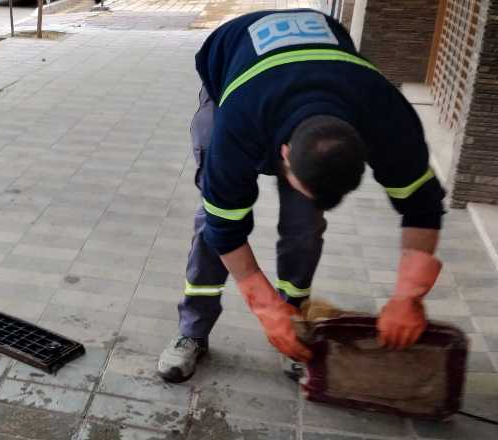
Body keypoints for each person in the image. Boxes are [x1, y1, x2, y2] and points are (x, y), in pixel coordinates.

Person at [156, 8, 447, 383]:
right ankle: (192, 330)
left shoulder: (386, 114)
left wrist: (409, 295)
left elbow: (422, 205)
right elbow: (225, 227)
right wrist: (263, 306)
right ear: (284, 156)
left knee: (305, 226)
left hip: (325, 77)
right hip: (236, 71)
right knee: (212, 221)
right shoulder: (237, 123)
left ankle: (294, 323)